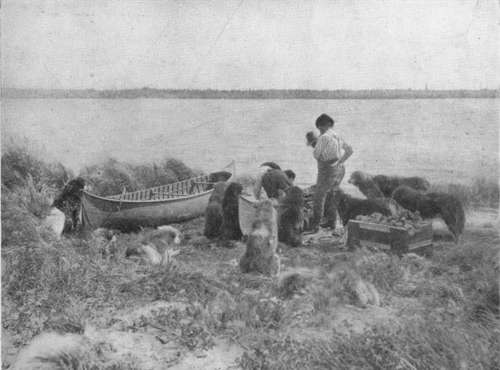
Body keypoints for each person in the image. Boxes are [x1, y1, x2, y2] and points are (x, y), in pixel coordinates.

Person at [306, 114, 353, 234]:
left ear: (323, 126)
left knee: (319, 197)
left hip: (327, 170)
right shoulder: (337, 136)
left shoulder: (323, 137)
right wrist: (340, 162)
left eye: (320, 128)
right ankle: (332, 222)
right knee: (332, 194)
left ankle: (315, 226)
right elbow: (349, 151)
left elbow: (316, 155)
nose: (320, 131)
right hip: (340, 169)